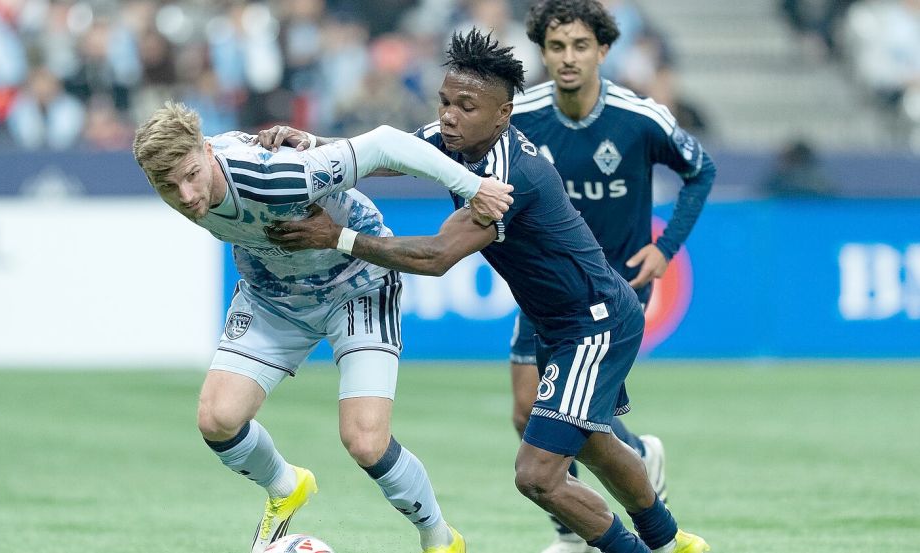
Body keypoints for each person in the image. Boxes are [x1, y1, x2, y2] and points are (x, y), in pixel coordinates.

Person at [263, 29, 710, 553]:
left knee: (537, 475)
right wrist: (314, 146)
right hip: (562, 321)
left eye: (466, 107)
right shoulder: (460, 139)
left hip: (595, 322)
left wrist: (336, 237)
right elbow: (392, 153)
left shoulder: (506, 178)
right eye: (445, 102)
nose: (450, 115)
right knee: (589, 439)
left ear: (503, 115)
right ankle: (673, 542)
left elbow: (435, 257)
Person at [131, 101, 513, 553]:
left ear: (207, 150)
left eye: (192, 174)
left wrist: (474, 187)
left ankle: (439, 540)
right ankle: (286, 485)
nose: (187, 196)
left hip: (356, 281)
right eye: (168, 187)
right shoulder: (188, 179)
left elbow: (386, 144)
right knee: (217, 419)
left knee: (366, 442)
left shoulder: (274, 175)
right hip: (273, 295)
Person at [511, 2, 717, 550]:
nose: (568, 58)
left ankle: (599, 524)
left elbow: (702, 170)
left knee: (573, 417)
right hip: (546, 289)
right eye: (557, 47)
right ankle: (609, 491)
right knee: (528, 413)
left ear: (603, 50)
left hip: (613, 292)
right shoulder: (520, 115)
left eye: (581, 46)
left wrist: (666, 249)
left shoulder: (639, 117)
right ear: (543, 52)